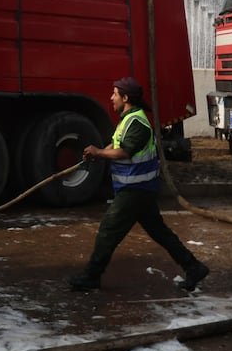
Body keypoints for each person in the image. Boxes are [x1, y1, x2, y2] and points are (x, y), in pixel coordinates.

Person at [68, 77, 209, 292]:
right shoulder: (129, 119)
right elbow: (117, 144)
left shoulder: (138, 123)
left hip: (135, 190)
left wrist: (99, 153)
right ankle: (194, 267)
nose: (111, 98)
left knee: (108, 230)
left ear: (126, 98)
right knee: (159, 232)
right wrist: (99, 152)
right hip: (139, 189)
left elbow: (125, 152)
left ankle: (91, 276)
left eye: (115, 94)